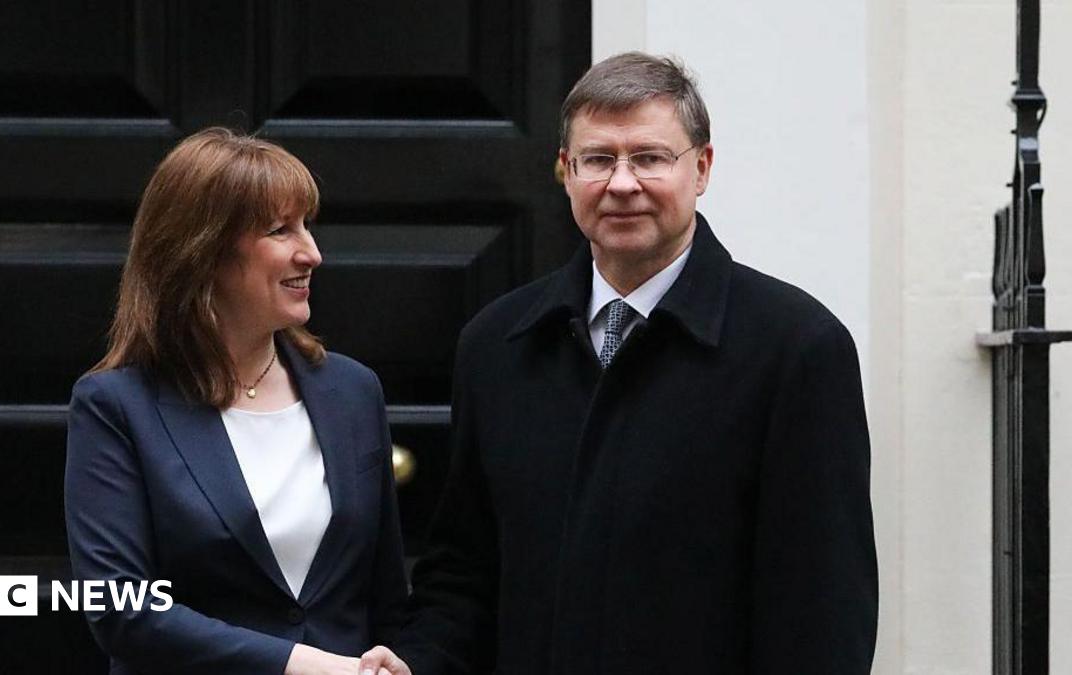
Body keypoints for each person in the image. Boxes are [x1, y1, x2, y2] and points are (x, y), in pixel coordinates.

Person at [360, 52, 878, 674]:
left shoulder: (797, 348)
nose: (622, 183)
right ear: (566, 171)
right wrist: (415, 662)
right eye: (599, 159)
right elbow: (466, 573)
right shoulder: (496, 344)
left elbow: (821, 610)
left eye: (651, 158)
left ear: (702, 168)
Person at [64, 127, 407, 675]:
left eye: (307, 226)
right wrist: (303, 665)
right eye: (279, 230)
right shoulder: (116, 406)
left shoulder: (352, 391)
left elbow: (386, 593)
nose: (312, 253)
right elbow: (122, 611)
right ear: (204, 252)